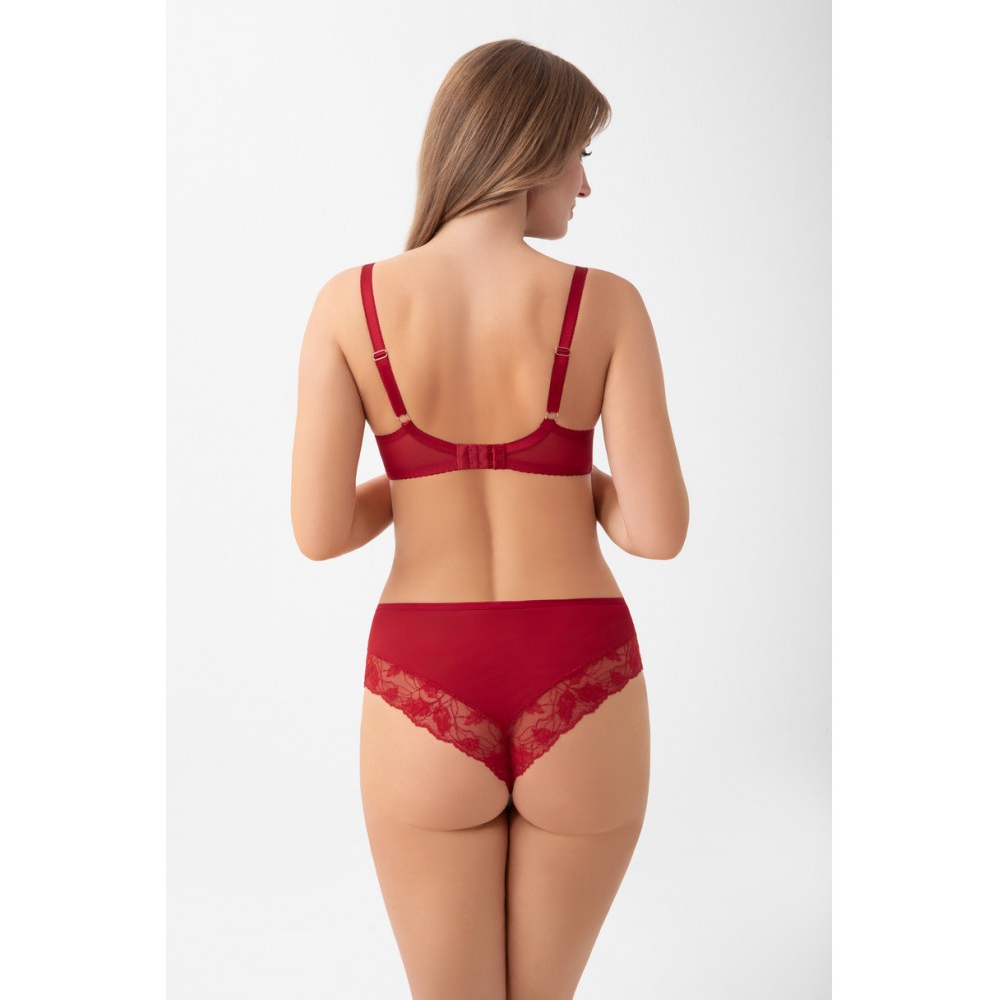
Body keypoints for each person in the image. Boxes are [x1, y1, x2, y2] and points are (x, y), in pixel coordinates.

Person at [291, 38, 688, 1000]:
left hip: (423, 672)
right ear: (528, 146)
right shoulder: (606, 305)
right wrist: (566, 481)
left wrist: (421, 481)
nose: (584, 185)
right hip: (582, 667)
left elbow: (320, 531)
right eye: (579, 154)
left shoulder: (351, 305)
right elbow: (657, 531)